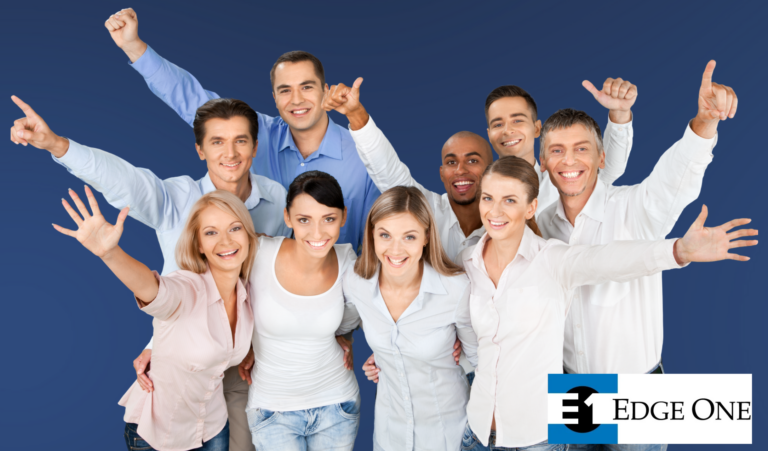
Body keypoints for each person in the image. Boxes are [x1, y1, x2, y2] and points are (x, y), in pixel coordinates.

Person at [8, 96, 297, 451]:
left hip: (240, 358)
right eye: (217, 141)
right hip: (184, 360)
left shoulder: (275, 199)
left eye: (241, 140)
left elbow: (273, 281)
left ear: (255, 146)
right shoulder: (177, 197)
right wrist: (56, 144)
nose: (231, 153)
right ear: (200, 150)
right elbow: (126, 182)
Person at [322, 75, 635, 381]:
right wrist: (398, 348)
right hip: (462, 365)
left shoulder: (555, 188)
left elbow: (603, 170)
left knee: (592, 423)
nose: (462, 170)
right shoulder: (428, 211)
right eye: (498, 123)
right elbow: (388, 172)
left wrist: (619, 118)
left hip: (552, 352)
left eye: (472, 161)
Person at [459, 156, 756, 451]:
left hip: (536, 440)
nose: (494, 211)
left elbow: (610, 260)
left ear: (531, 207)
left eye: (509, 200)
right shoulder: (469, 261)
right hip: (478, 435)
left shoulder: (551, 259)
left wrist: (677, 250)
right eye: (488, 198)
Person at [535, 61, 739, 451]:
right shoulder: (539, 228)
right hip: (568, 392)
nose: (569, 161)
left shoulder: (635, 209)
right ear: (544, 164)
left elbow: (673, 182)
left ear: (601, 158)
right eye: (557, 151)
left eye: (582, 149)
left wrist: (704, 122)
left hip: (637, 393)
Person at [104, 8, 380, 250]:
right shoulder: (255, 133)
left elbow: (380, 233)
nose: (296, 100)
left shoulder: (362, 155)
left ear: (324, 90)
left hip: (333, 298)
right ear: (274, 97)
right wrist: (134, 47)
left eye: (306, 87)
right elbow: (190, 98)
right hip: (252, 295)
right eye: (285, 90)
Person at [52, 187, 258, 451]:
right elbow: (153, 289)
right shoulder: (187, 287)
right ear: (198, 244)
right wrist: (110, 253)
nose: (225, 241)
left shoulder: (246, 292)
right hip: (158, 433)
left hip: (213, 426)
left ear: (248, 234)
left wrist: (250, 350)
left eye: (234, 228)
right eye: (210, 232)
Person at [339, 186, 479, 451]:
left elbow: (480, 361)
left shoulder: (455, 289)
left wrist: (465, 363)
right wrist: (383, 355)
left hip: (447, 435)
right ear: (372, 235)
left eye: (409, 237)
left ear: (426, 237)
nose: (395, 249)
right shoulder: (356, 283)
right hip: (389, 435)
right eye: (385, 235)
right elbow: (341, 324)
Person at [237, 171, 361, 451]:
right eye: (304, 220)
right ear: (287, 217)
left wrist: (345, 336)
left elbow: (354, 314)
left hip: (337, 405)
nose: (317, 233)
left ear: (343, 216)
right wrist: (243, 345)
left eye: (328, 219)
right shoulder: (257, 251)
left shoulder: (346, 259)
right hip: (272, 410)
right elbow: (214, 297)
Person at [485, 80, 635, 209]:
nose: (507, 130)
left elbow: (609, 166)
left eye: (517, 120)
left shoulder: (567, 176)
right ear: (489, 134)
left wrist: (619, 113)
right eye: (497, 124)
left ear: (537, 128)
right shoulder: (481, 190)